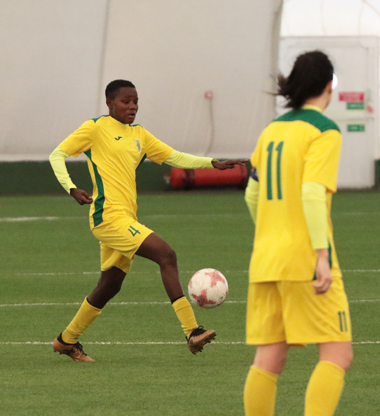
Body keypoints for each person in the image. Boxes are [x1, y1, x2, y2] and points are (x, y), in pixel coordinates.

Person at [48, 79, 245, 361]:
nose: (132, 106)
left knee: (110, 285)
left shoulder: (139, 134)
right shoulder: (95, 128)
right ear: (110, 103)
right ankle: (191, 331)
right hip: (107, 217)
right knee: (166, 254)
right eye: (126, 101)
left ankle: (66, 340)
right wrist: (70, 187)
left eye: (136, 101)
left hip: (125, 217)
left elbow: (174, 156)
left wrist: (212, 163)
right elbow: (57, 155)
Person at [242, 50, 358, 416]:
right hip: (304, 259)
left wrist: (273, 235)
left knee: (268, 358)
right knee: (338, 353)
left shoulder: (271, 130)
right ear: (330, 86)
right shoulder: (323, 130)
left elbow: (252, 196)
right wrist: (320, 256)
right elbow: (312, 193)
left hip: (266, 258)